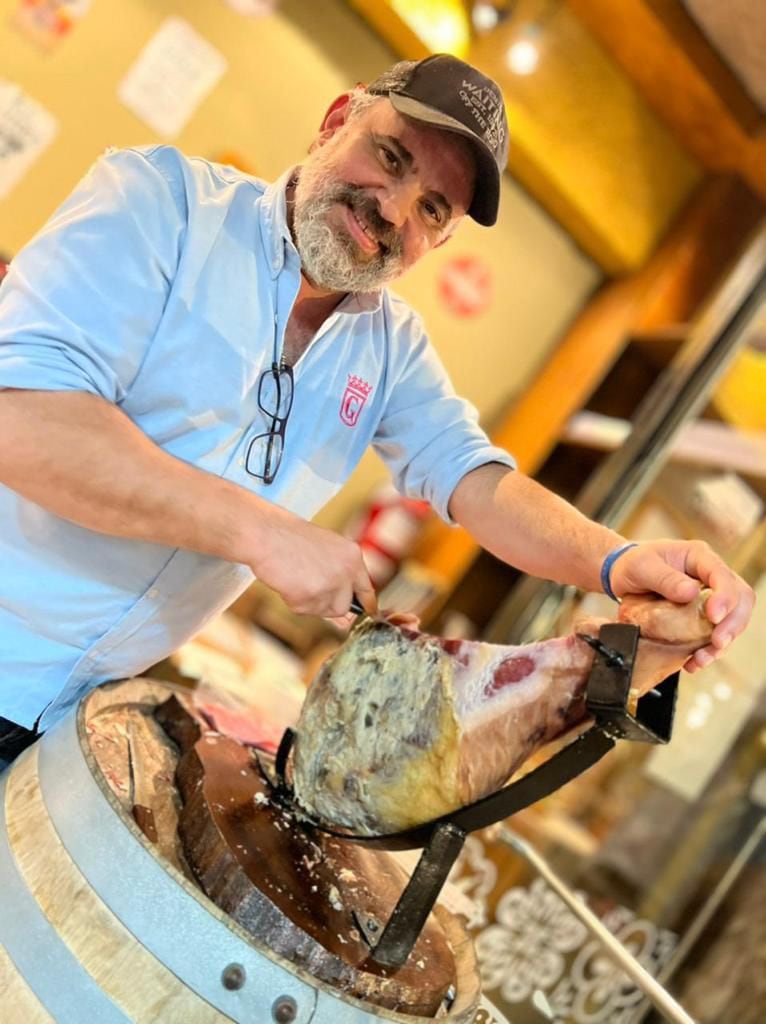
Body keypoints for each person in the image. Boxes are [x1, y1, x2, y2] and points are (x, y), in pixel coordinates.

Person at [0, 55, 754, 769]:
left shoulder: (389, 347)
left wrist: (616, 559)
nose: (392, 210)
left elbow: (474, 478)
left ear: (440, 239)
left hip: (73, 721)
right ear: (336, 121)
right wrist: (263, 531)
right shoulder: (161, 202)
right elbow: (22, 420)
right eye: (392, 157)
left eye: (431, 207)